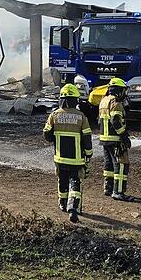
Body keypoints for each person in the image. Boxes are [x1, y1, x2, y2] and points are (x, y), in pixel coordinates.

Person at [43, 83, 94, 223]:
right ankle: (73, 208)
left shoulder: (54, 115)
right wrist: (88, 154)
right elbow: (86, 139)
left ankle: (62, 203)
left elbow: (46, 134)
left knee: (62, 181)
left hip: (60, 158)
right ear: (75, 100)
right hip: (76, 159)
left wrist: (56, 140)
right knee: (75, 182)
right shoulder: (81, 117)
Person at [98, 77, 132, 201]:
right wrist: (124, 137)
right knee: (121, 164)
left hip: (104, 138)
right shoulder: (116, 103)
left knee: (109, 164)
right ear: (119, 91)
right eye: (123, 91)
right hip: (115, 139)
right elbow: (116, 121)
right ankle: (118, 192)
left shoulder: (103, 101)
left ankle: (108, 187)